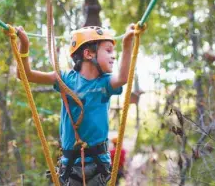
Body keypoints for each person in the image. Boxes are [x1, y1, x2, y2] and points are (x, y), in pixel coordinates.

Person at [16, 24, 135, 185]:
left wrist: (128, 44)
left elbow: (122, 78)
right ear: (88, 54)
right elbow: (25, 75)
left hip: (98, 164)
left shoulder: (105, 83)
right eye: (108, 51)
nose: (113, 56)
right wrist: (23, 46)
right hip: (71, 165)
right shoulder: (65, 79)